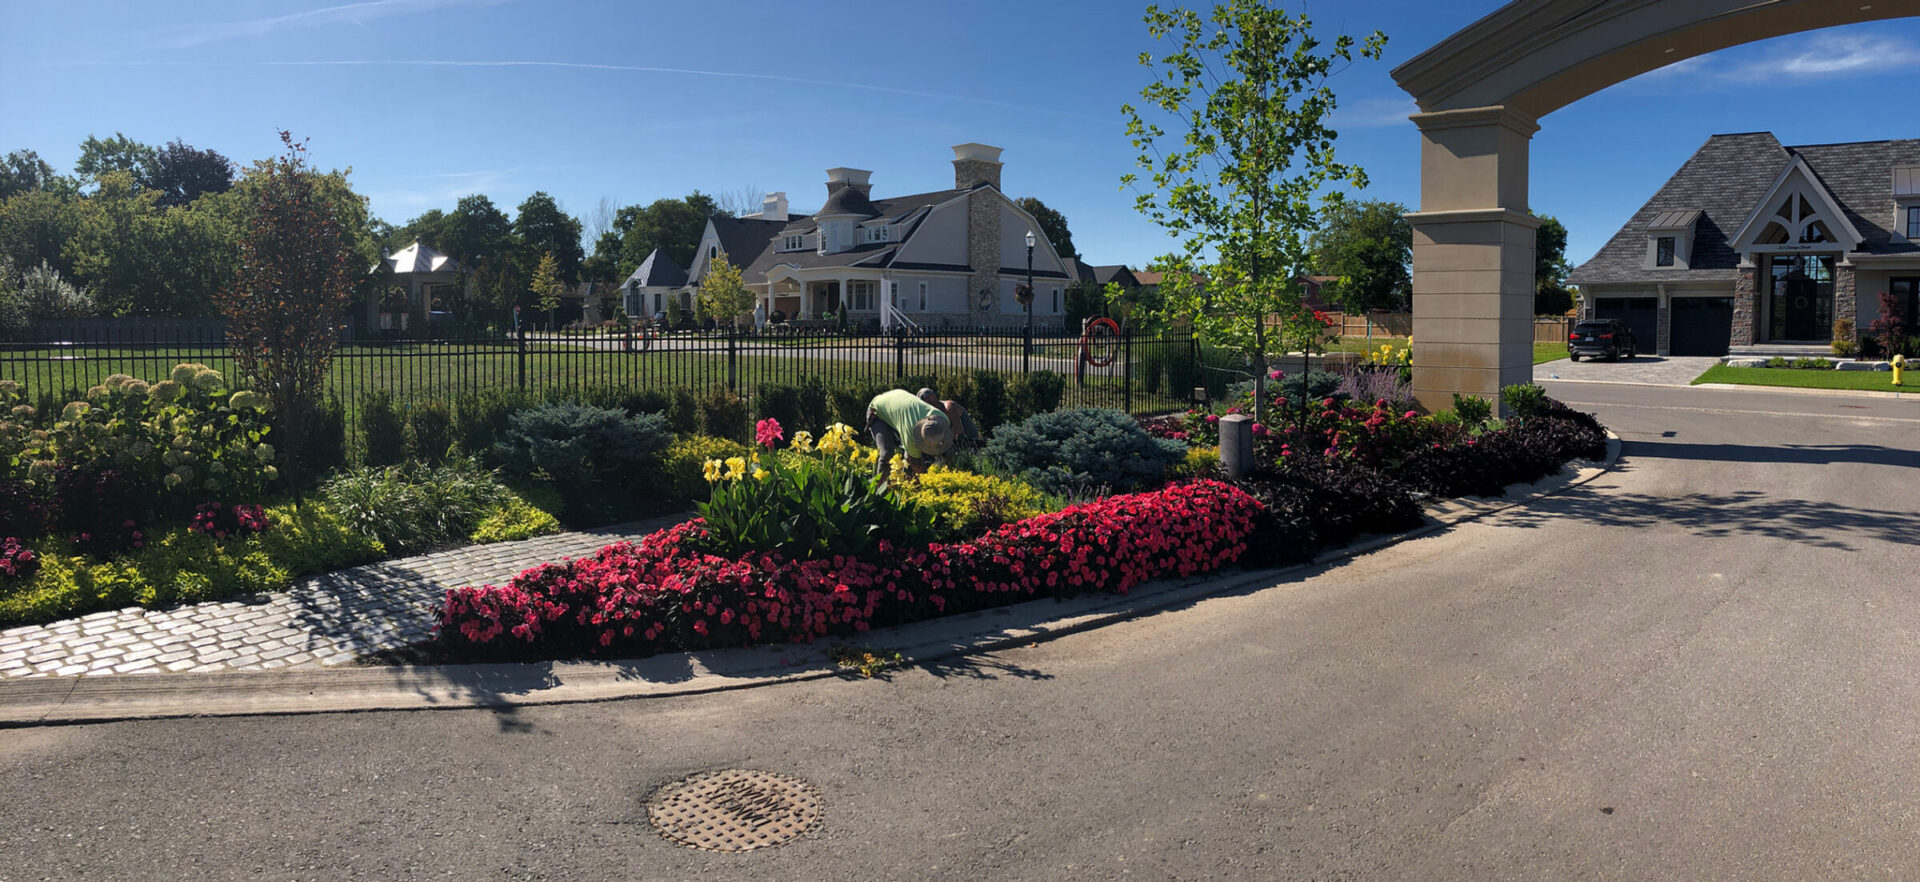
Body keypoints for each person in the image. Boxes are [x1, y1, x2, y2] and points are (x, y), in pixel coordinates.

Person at [865, 389, 953, 478]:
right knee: (887, 453)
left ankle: (906, 482)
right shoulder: (910, 434)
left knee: (910, 456)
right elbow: (917, 465)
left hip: (899, 400)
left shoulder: (942, 419)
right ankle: (881, 488)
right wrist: (926, 482)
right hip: (878, 410)